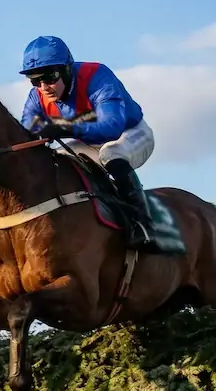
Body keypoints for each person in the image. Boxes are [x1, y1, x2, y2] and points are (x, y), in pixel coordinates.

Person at [18, 35, 155, 248]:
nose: (44, 87)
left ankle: (143, 224)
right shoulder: (37, 97)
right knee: (57, 161)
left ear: (66, 69)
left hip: (130, 135)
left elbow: (112, 127)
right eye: (35, 80)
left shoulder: (97, 78)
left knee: (112, 154)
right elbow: (27, 132)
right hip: (88, 143)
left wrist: (65, 128)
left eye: (50, 77)